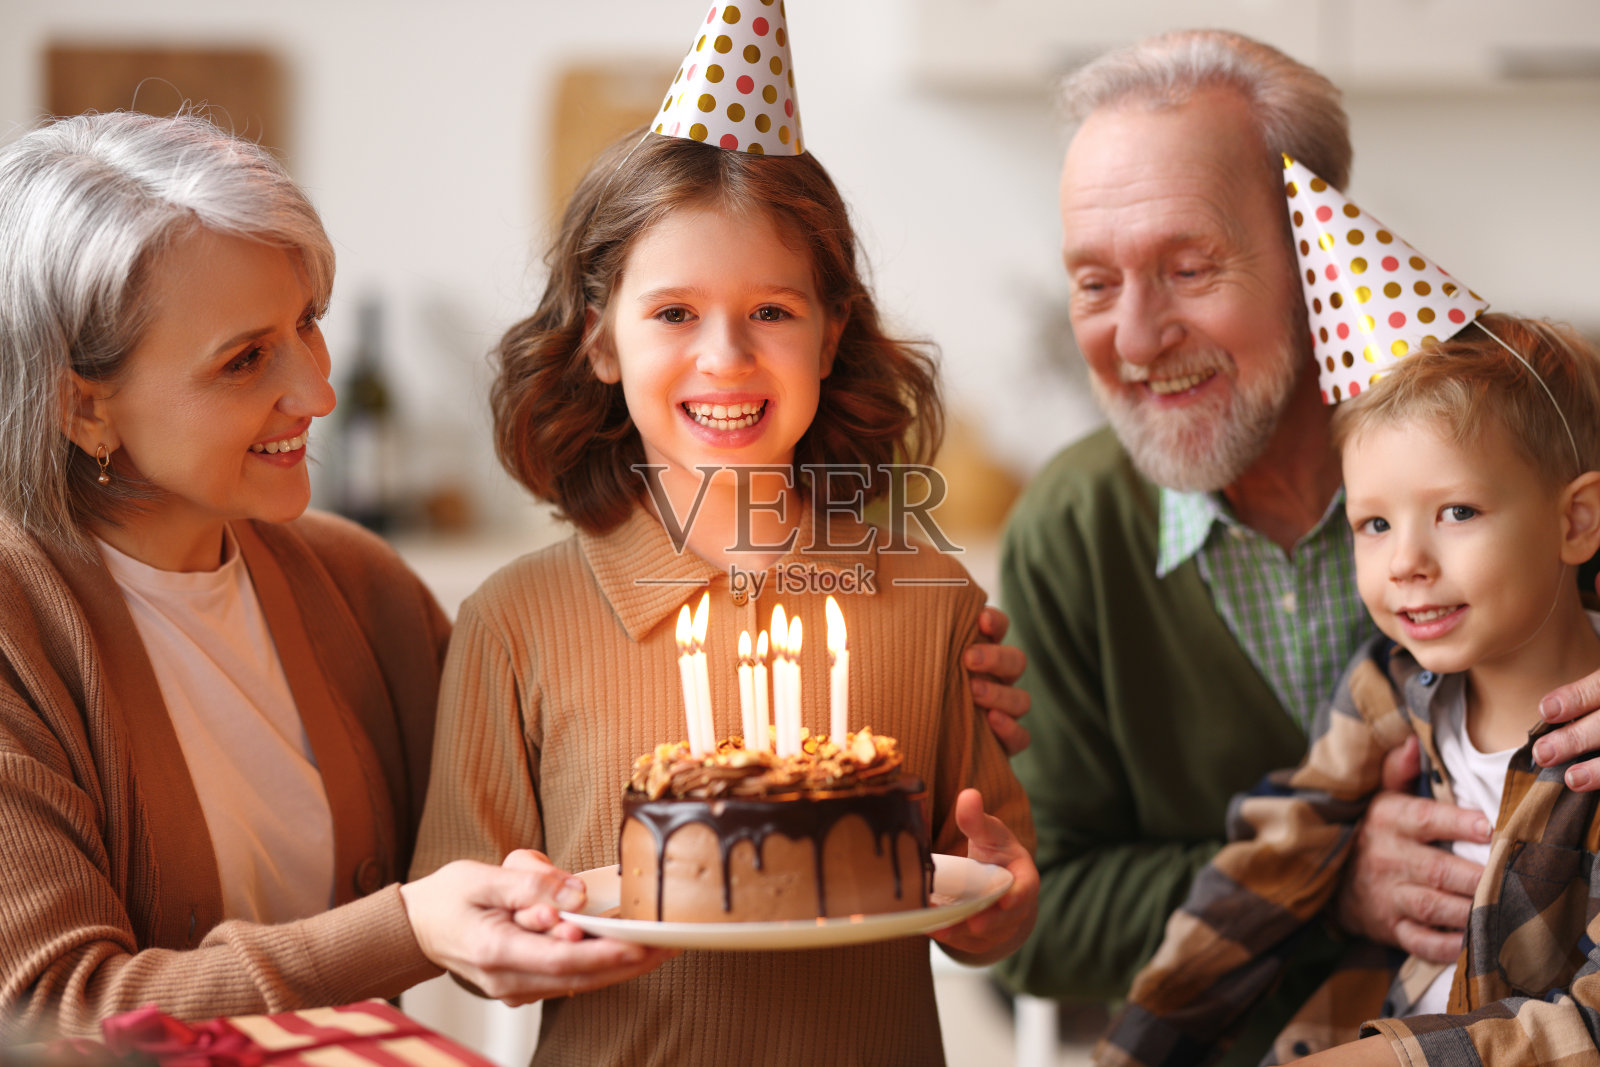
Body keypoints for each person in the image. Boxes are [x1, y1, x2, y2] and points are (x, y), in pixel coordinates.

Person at [0, 110, 680, 1041]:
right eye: (245, 359)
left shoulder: (358, 585)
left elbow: (551, 837)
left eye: (307, 323)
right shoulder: (15, 626)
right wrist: (406, 930)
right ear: (84, 406)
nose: (317, 391)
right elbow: (54, 1013)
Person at [993, 31, 1600, 1048]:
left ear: (1312, 262)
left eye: (1189, 268)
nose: (1135, 339)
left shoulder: (1538, 442)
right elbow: (1036, 917)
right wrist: (1319, 876)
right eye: (1095, 283)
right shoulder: (1070, 528)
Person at [408, 113, 1039, 1063]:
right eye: (673, 313)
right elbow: (462, 930)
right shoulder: (513, 620)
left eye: (772, 312)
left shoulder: (932, 601)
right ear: (601, 342)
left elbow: (984, 894)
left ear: (831, 337)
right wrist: (516, 921)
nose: (725, 357)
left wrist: (998, 909)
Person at [1095, 313, 1600, 1066]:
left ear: (1577, 519)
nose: (1405, 561)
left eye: (1456, 511)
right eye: (1372, 523)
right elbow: (1262, 878)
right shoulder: (1384, 690)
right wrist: (1130, 1053)